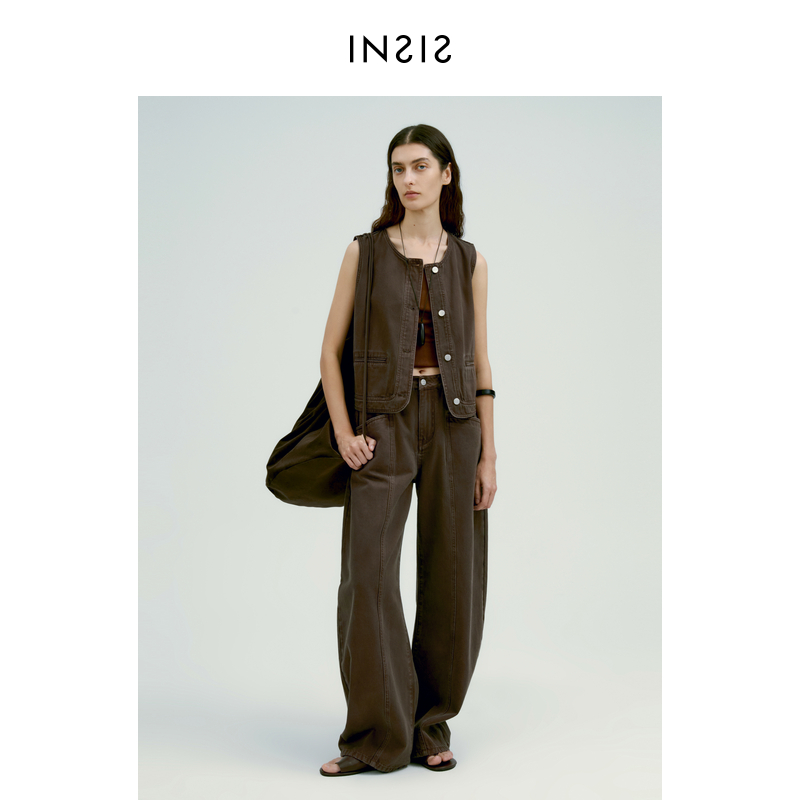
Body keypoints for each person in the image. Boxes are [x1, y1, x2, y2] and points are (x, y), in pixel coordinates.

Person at [318, 124, 497, 777]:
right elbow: (329, 353)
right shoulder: (363, 252)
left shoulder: (471, 261)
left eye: (421, 166)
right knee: (367, 578)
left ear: (447, 174)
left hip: (455, 425)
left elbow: (480, 362)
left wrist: (489, 455)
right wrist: (345, 433)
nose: (408, 179)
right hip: (382, 428)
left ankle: (428, 725)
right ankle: (374, 735)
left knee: (454, 580)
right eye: (398, 168)